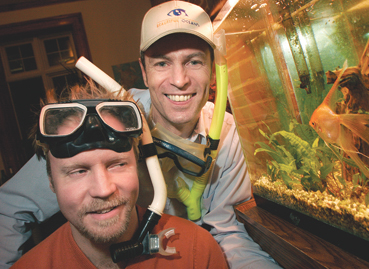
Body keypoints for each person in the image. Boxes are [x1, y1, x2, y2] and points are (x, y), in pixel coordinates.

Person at [0, 1, 282, 268]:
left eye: (194, 61)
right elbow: (9, 208)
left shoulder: (229, 133)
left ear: (212, 69)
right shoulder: (108, 120)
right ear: (144, 73)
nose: (180, 79)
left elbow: (229, 232)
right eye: (161, 63)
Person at [10, 81, 228, 268]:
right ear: (51, 182)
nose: (103, 189)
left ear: (138, 167)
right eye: (78, 171)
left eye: (116, 164)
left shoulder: (197, 253)